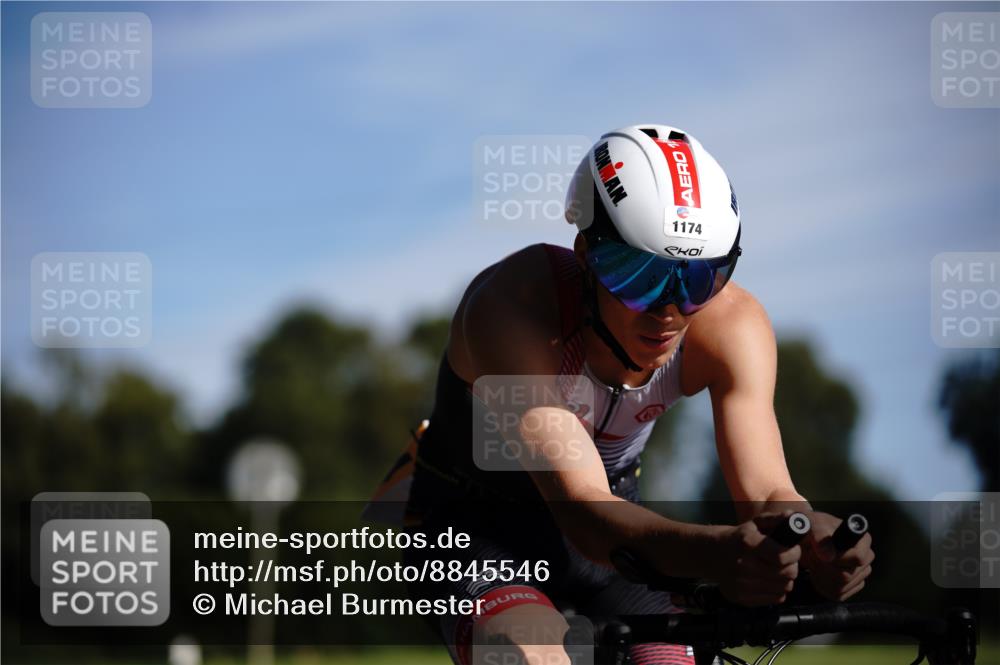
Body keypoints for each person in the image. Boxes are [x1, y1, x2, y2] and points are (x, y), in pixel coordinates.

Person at [369, 125, 875, 665]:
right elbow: (584, 515)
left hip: (611, 519)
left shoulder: (734, 326)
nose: (670, 310)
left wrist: (807, 537)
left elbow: (769, 494)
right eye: (641, 276)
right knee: (531, 654)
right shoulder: (514, 307)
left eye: (701, 277)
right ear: (585, 254)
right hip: (471, 520)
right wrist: (720, 551)